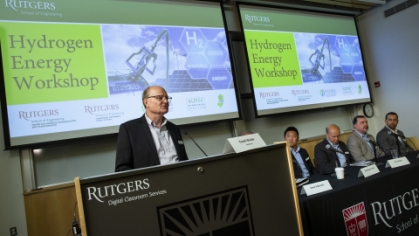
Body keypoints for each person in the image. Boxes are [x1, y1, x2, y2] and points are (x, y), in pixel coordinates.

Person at [115, 86, 188, 172]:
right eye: (159, 98)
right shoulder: (129, 129)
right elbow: (122, 168)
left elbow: (184, 160)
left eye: (167, 98)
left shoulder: (174, 128)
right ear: (146, 102)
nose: (166, 101)